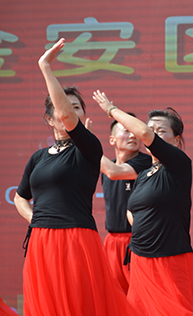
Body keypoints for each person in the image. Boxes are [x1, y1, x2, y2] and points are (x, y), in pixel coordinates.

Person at [13, 38, 137, 316]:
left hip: (76, 239)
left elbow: (68, 118)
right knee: (45, 306)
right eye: (64, 106)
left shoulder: (88, 147)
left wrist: (45, 67)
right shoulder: (39, 157)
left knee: (78, 305)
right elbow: (20, 197)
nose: (71, 111)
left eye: (78, 107)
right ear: (49, 118)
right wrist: (36, 218)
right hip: (40, 240)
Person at [93, 90, 193, 316]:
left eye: (160, 131)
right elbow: (131, 211)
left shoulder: (178, 165)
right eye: (151, 130)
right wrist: (143, 229)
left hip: (170, 257)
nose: (153, 135)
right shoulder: (144, 174)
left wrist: (111, 110)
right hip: (141, 259)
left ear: (177, 140)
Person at [101, 114, 151, 294]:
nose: (133, 136)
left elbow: (114, 172)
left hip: (138, 242)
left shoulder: (146, 163)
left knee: (140, 298)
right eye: (127, 131)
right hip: (112, 243)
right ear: (112, 139)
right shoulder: (107, 167)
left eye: (136, 132)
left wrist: (84, 143)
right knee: (113, 298)